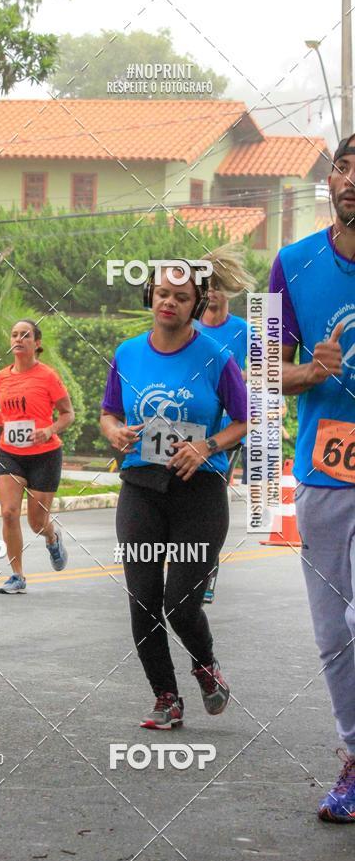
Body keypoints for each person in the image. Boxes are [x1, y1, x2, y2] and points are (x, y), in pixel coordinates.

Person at [100, 261, 247, 730]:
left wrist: (207, 446)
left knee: (181, 603)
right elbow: (107, 413)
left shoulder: (215, 356)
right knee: (143, 600)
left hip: (199, 492)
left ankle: (205, 667)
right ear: (150, 295)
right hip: (141, 488)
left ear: (196, 306)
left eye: (181, 297)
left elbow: (245, 420)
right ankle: (166, 697)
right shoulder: (127, 353)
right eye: (163, 293)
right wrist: (115, 431)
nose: (169, 302)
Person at [269, 134, 355, 823]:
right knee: (333, 632)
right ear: (330, 181)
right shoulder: (290, 263)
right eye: (344, 167)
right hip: (325, 469)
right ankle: (354, 757)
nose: (352, 179)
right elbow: (261, 368)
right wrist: (309, 371)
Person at [0, 321, 74, 594]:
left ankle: (52, 537)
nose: (18, 339)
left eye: (25, 335)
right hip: (10, 453)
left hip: (44, 455)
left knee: (37, 523)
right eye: (14, 335)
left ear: (36, 343)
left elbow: (68, 414)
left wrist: (49, 430)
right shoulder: (2, 376)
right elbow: (8, 415)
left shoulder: (48, 376)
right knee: (8, 512)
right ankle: (17, 575)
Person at [194, 244, 255, 602]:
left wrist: (238, 378)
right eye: (207, 286)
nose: (212, 293)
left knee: (210, 497)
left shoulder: (244, 331)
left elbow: (267, 373)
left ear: (229, 289)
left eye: (218, 285)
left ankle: (208, 567)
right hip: (190, 427)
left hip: (228, 429)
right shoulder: (188, 328)